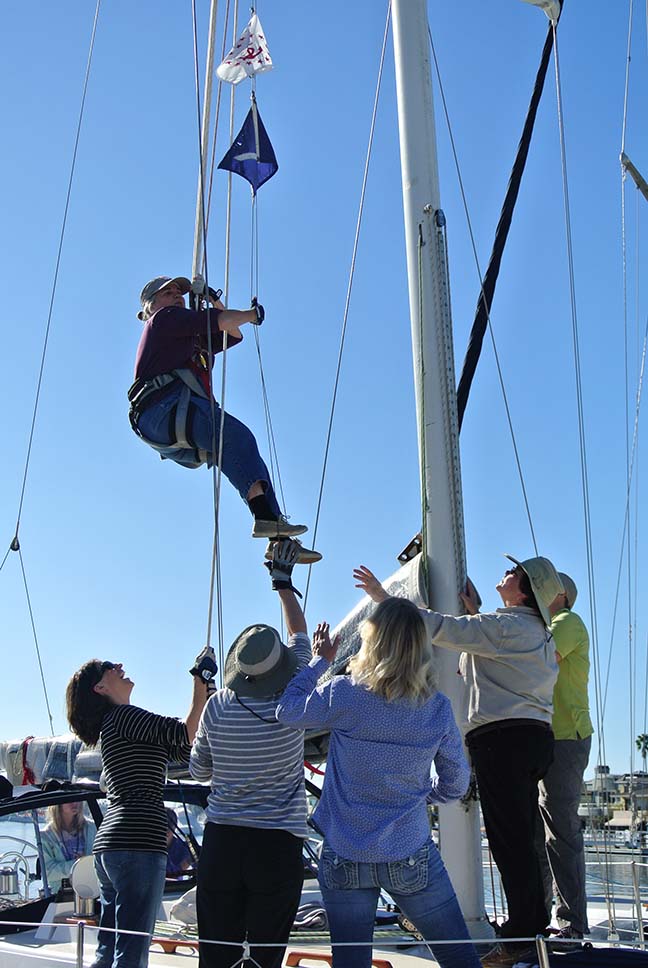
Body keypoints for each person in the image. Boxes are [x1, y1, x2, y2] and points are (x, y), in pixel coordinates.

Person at [354, 556, 562, 968]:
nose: (504, 575)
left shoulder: (505, 628)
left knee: (510, 843)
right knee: (523, 839)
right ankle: (532, 929)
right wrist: (477, 612)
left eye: (512, 574)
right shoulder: (535, 633)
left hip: (503, 740)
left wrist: (383, 599)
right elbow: (487, 640)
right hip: (536, 737)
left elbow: (440, 628)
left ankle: (521, 936)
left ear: (523, 591)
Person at [276, 595, 482, 968]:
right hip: (408, 851)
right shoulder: (436, 709)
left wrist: (320, 661)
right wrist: (425, 796)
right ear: (421, 649)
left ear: (372, 641)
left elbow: (287, 711)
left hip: (344, 853)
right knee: (458, 958)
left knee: (350, 962)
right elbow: (456, 783)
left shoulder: (344, 693)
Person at [128, 275, 319, 562]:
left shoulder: (189, 336)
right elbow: (221, 320)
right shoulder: (163, 320)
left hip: (172, 416)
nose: (177, 297)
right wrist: (253, 314)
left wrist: (212, 297)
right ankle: (267, 519)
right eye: (167, 293)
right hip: (162, 409)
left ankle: (276, 533)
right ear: (151, 306)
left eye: (179, 293)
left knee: (239, 449)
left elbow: (233, 333)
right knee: (235, 436)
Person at [189, 539, 311, 968]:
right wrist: (283, 584)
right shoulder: (295, 699)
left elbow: (199, 769)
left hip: (224, 841)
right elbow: (300, 637)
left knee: (216, 958)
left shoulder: (220, 704)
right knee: (265, 958)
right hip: (277, 846)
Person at [66, 648, 212, 968]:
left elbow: (183, 743)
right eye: (108, 667)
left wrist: (203, 696)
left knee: (110, 946)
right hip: (138, 842)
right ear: (101, 688)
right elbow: (186, 733)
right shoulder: (125, 716)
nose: (118, 665)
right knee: (132, 951)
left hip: (111, 844)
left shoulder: (114, 726)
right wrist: (200, 684)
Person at [535, 572, 593, 946]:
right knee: (544, 833)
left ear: (557, 594)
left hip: (565, 738)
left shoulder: (566, 622)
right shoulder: (546, 626)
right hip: (546, 737)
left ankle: (572, 922)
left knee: (560, 831)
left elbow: (538, 659)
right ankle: (541, 917)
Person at [41, 801, 96, 893]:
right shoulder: (46, 836)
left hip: (92, 891)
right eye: (69, 801)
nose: (75, 803)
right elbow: (48, 872)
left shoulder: (92, 828)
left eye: (78, 799)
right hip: (60, 894)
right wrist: (77, 864)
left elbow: (103, 859)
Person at [164, 808, 194, 878]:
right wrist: (185, 864)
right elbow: (162, 875)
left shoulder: (183, 847)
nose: (167, 830)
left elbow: (201, 866)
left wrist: (198, 853)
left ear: (175, 827)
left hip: (180, 888)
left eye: (170, 825)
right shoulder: (148, 850)